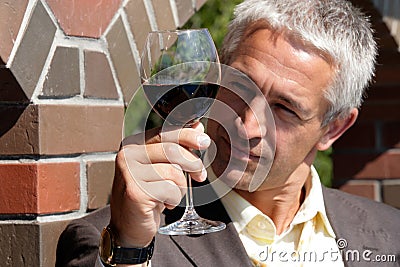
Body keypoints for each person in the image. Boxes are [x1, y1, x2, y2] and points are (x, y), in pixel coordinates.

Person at [56, 0, 400, 266]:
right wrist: (129, 248)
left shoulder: (390, 235)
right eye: (239, 85)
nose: (247, 127)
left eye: (283, 109)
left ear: (334, 128)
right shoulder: (118, 239)